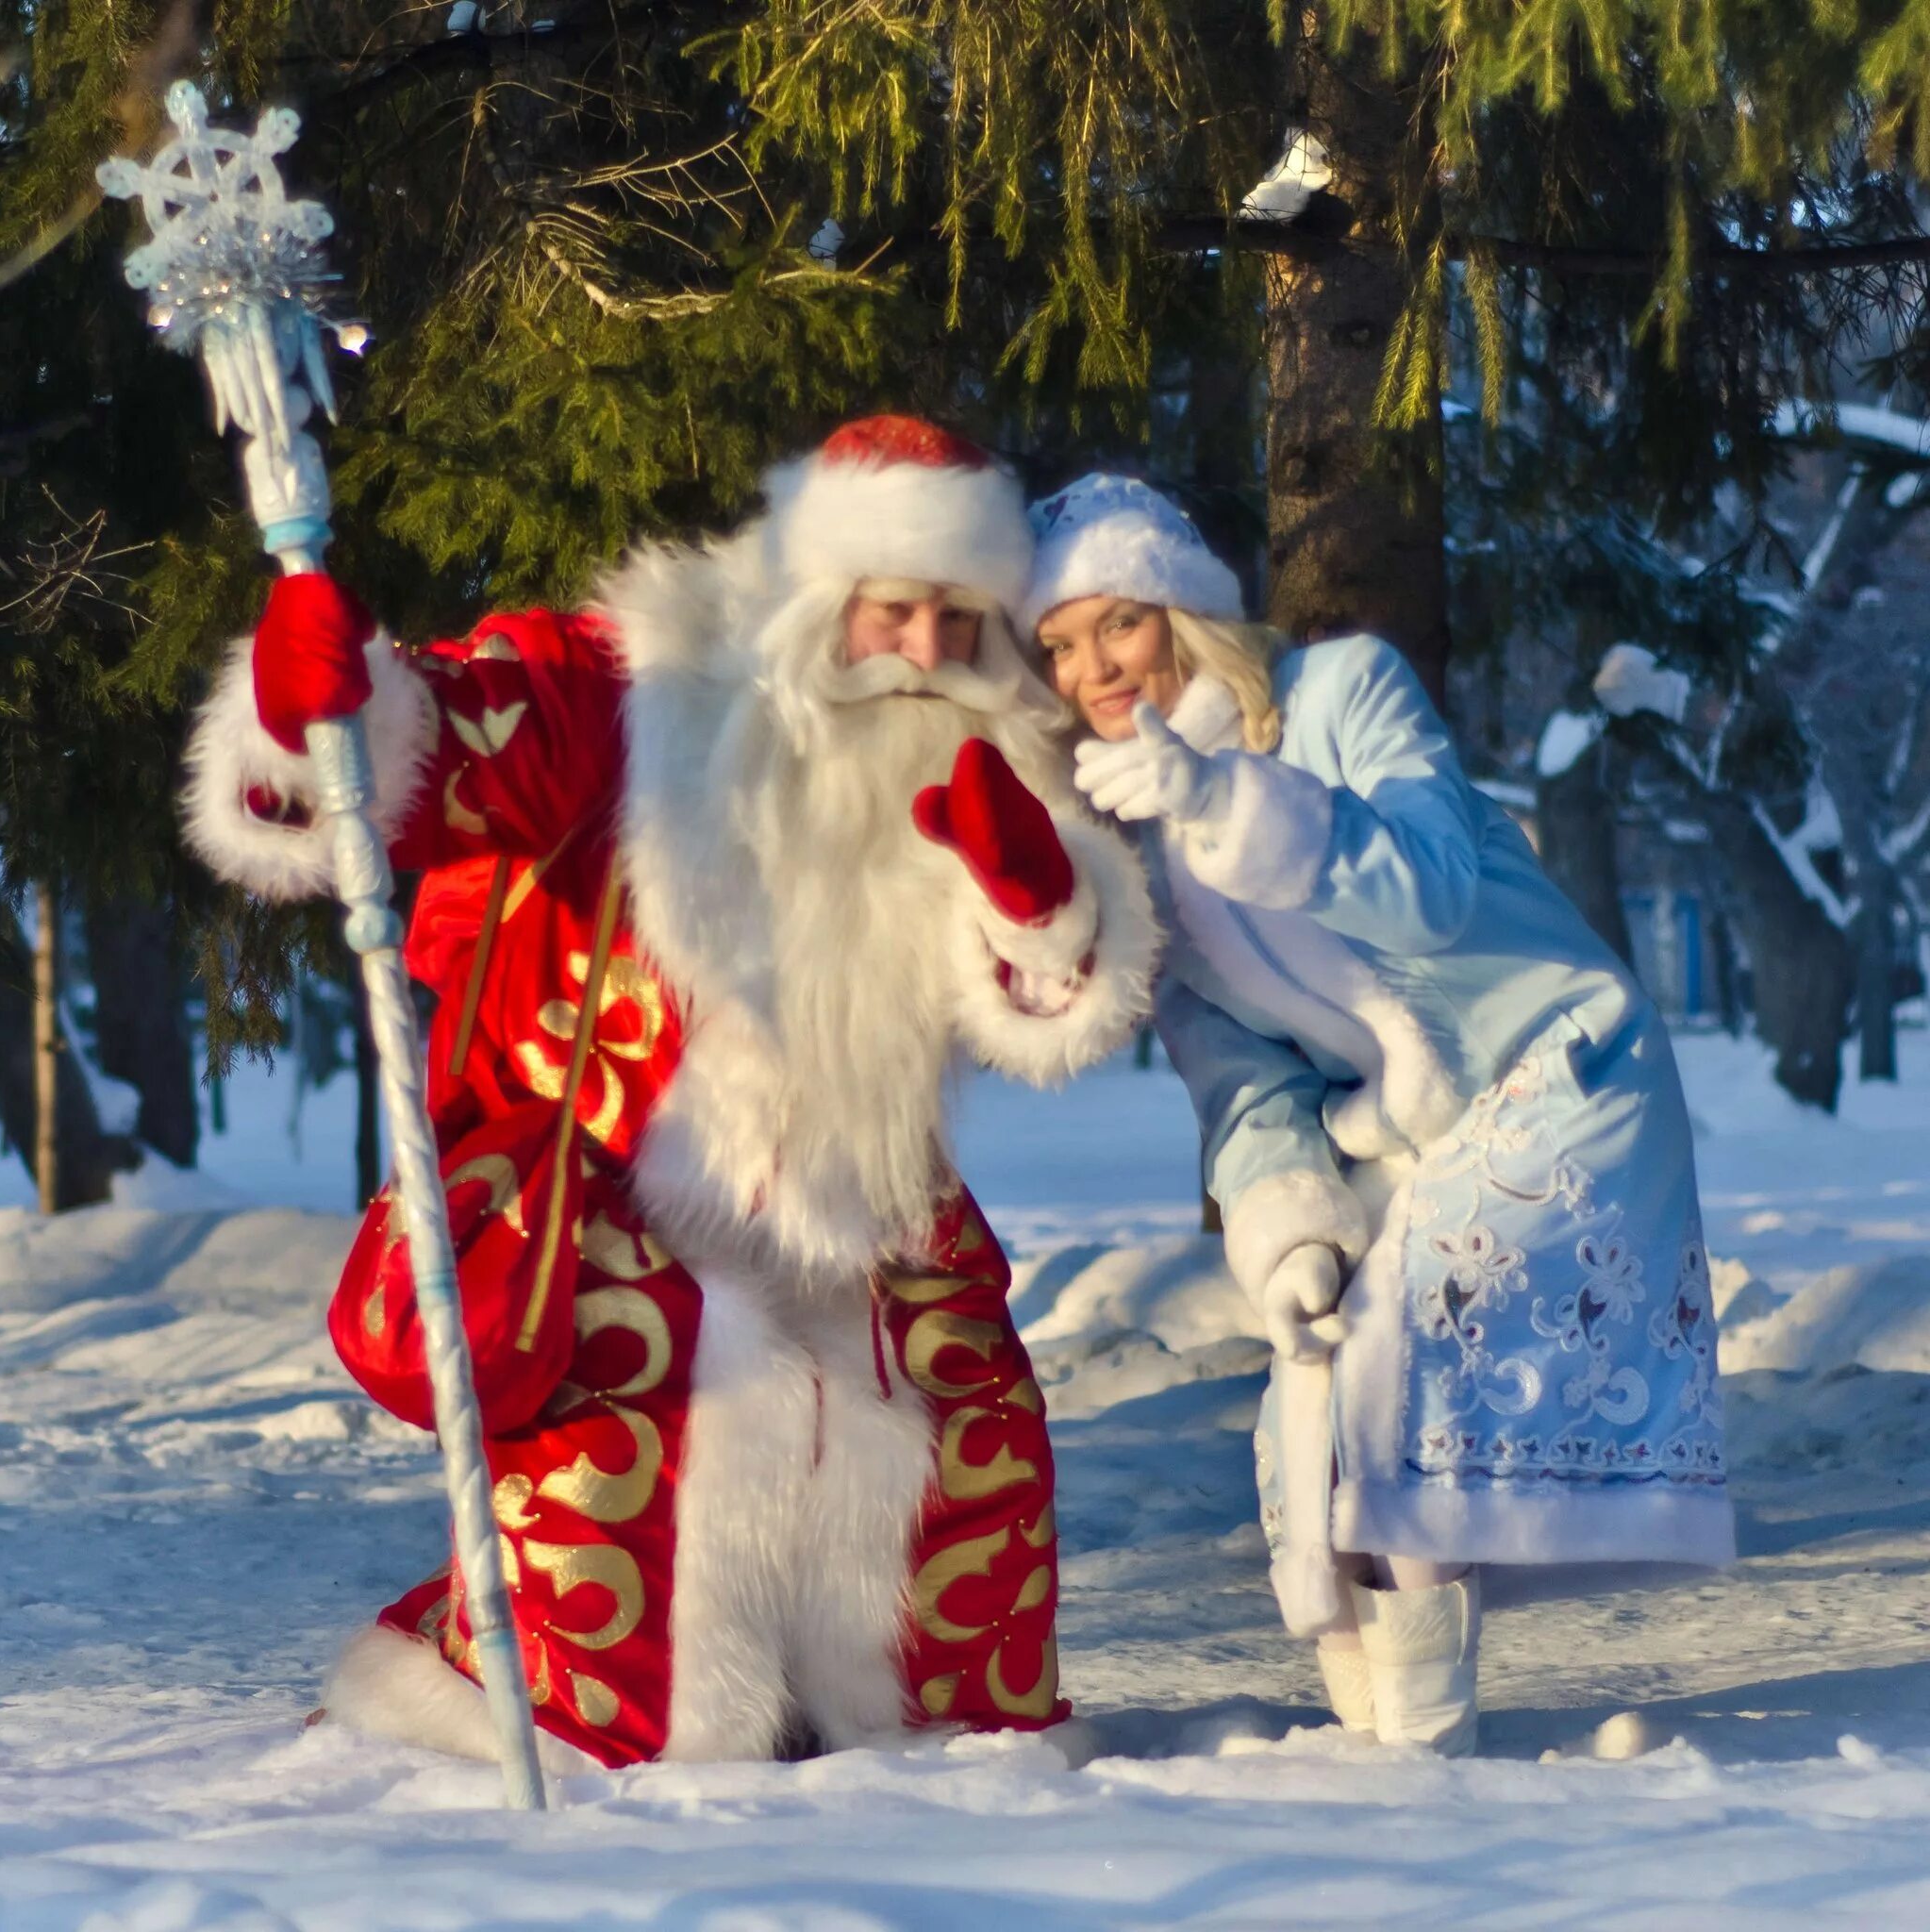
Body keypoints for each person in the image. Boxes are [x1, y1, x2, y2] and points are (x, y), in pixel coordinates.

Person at [180, 417, 1158, 1770]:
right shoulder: (637, 688)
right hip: (613, 1208)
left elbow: (1045, 1003)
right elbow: (449, 747)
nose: (928, 653)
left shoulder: (975, 747)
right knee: (645, 1496)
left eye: (959, 617)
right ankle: (620, 1746)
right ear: (816, 600)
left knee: (957, 1446)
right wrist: (322, 713)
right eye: (894, 612)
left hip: (866, 1215)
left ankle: (891, 1733)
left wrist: (1039, 901)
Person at [1022, 474, 1733, 1756]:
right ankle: (1394, 1746)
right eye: (1058, 648)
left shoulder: (1341, 689)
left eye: (1114, 625)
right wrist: (1285, 1224)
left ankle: (1424, 1755)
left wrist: (1222, 801)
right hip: (1399, 1127)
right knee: (1321, 1401)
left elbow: (1439, 886)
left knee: (1404, 1373)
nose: (1092, 669)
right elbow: (1236, 1072)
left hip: (1566, 1064)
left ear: (1180, 608)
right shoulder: (1126, 852)